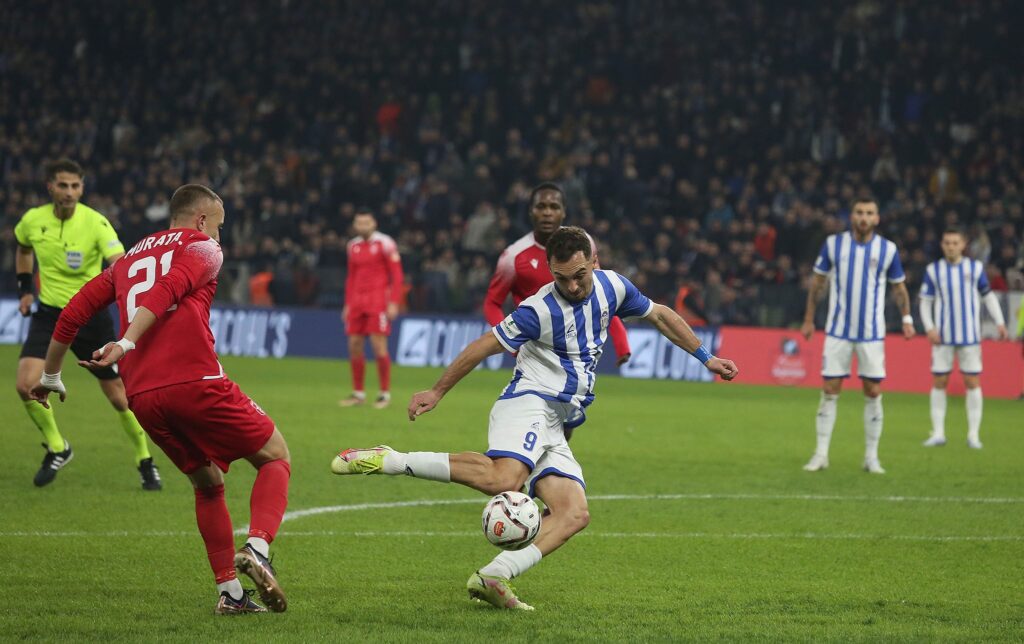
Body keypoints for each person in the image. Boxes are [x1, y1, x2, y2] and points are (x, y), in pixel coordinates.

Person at [331, 226, 739, 610]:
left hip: (559, 420)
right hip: (528, 400)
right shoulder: (538, 309)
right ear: (551, 273)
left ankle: (494, 576)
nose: (574, 286)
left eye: (580, 275)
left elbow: (661, 314)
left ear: (593, 261)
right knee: (503, 479)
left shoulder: (614, 286)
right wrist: (437, 390)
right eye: (564, 279)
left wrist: (706, 357)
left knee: (574, 513)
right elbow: (481, 347)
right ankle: (390, 459)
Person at [30, 185, 291, 615]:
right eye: (221, 227)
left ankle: (230, 593)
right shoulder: (204, 247)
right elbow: (169, 287)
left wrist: (51, 374)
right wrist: (127, 341)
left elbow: (74, 309)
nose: (220, 237)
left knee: (207, 485)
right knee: (275, 456)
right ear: (203, 220)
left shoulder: (129, 257)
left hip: (143, 396)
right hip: (194, 380)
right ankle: (258, 550)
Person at [14, 158, 161, 489]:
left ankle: (144, 459)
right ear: (50, 187)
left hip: (90, 317)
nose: (69, 192)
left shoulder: (96, 223)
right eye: (63, 185)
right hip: (50, 313)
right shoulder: (32, 221)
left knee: (119, 397)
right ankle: (58, 447)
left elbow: (120, 264)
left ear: (82, 188)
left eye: (75, 186)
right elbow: (23, 249)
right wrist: (25, 289)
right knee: (26, 385)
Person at [800, 198, 914, 474]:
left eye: (869, 213)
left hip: (871, 334)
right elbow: (818, 284)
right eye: (859, 212)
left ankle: (871, 457)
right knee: (829, 390)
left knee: (873, 391)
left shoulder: (887, 249)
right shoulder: (833, 244)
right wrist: (808, 318)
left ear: (877, 218)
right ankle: (821, 454)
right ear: (852, 216)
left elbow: (898, 288)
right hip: (838, 331)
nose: (864, 217)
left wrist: (907, 319)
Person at [484, 183, 632, 368]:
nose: (547, 212)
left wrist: (621, 341)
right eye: (541, 207)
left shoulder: (582, 243)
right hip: (536, 350)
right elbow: (492, 303)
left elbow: (600, 293)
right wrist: (513, 344)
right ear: (531, 211)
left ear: (563, 212)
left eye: (554, 207)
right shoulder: (513, 256)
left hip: (577, 347)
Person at [919, 227, 1008, 448]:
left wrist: (1000, 322)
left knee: (972, 381)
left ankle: (973, 435)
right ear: (942, 245)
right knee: (939, 381)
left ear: (963, 244)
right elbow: (925, 301)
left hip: (969, 336)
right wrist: (929, 327)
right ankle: (938, 433)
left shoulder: (975, 269)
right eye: (947, 242)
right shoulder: (934, 270)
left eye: (955, 242)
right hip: (943, 337)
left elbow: (988, 297)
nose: (951, 246)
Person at [339, 208, 404, 409]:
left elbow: (397, 275)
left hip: (378, 302)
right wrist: (348, 304)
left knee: (378, 346)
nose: (362, 226)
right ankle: (358, 393)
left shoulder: (385, 243)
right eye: (359, 223)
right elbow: (351, 277)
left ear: (374, 223)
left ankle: (384, 394)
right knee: (354, 345)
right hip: (357, 303)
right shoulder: (353, 246)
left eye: (366, 222)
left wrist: (394, 301)